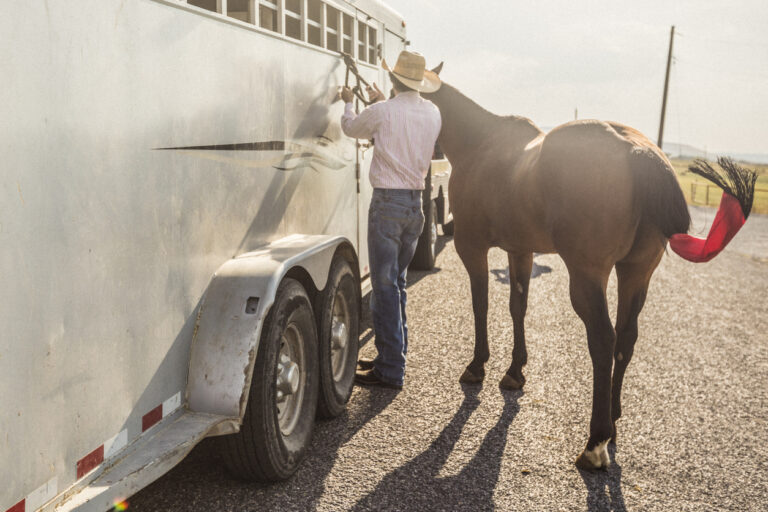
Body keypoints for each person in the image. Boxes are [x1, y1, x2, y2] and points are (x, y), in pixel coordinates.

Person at [339, 50, 442, 390]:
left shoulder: (382, 111)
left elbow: (353, 128)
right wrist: (382, 102)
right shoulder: (432, 112)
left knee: (384, 288)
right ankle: (393, 355)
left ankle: (390, 369)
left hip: (388, 203)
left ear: (394, 79)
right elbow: (402, 127)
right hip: (416, 204)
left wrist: (349, 102)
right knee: (396, 283)